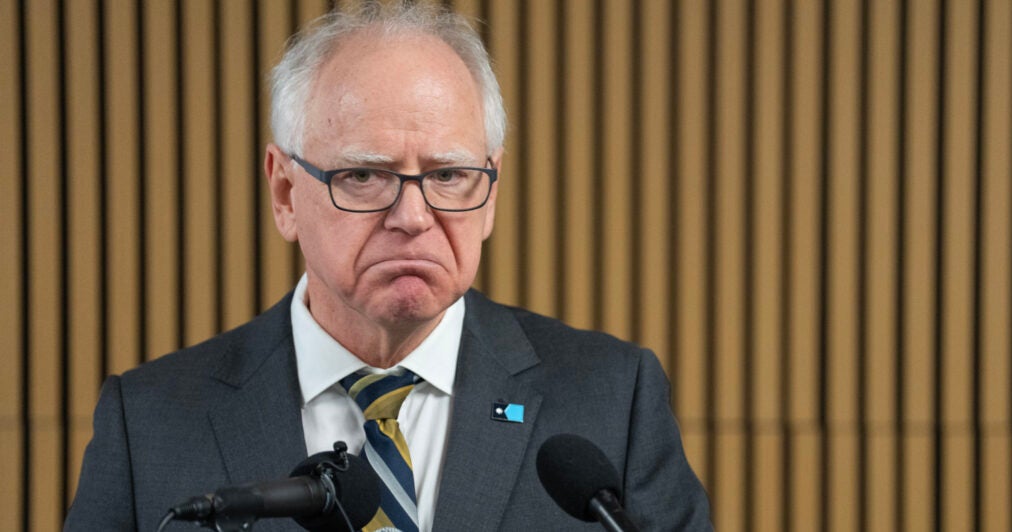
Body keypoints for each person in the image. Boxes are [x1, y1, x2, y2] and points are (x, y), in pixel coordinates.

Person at [64, 2, 712, 531]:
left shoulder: (610, 404)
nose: (413, 216)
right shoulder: (148, 424)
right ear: (285, 193)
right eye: (365, 175)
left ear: (492, 190)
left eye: (451, 174)